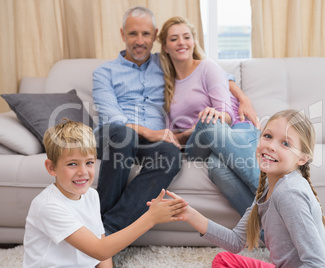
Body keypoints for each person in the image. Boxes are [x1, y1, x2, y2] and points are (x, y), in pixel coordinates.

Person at [92, 6, 256, 233]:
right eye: (132, 34)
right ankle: (96, 223)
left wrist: (243, 97)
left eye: (146, 34)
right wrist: (152, 133)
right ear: (122, 35)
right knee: (123, 134)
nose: (139, 41)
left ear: (155, 36)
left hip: (150, 144)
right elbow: (113, 117)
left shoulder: (165, 61)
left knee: (170, 154)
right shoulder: (104, 72)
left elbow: (214, 72)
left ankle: (109, 231)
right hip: (113, 136)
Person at [159, 109, 325, 267]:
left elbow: (318, 264)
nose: (271, 146)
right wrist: (189, 213)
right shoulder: (268, 190)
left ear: (302, 159)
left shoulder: (289, 193)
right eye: (268, 136)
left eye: (285, 143)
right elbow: (235, 241)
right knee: (224, 260)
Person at [23, 119, 187, 268]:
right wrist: (151, 218)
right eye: (72, 164)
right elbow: (100, 250)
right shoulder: (48, 206)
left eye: (89, 163)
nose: (83, 172)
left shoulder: (91, 195)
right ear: (51, 167)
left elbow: (103, 248)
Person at [157, 16, 261, 215]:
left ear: (194, 41)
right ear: (164, 47)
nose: (181, 42)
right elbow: (173, 137)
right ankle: (274, 194)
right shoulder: (167, 85)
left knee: (219, 170)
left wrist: (213, 117)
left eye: (186, 37)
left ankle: (268, 233)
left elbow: (228, 116)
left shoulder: (207, 67)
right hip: (199, 144)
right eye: (174, 39)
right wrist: (195, 128)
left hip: (236, 131)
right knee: (208, 123)